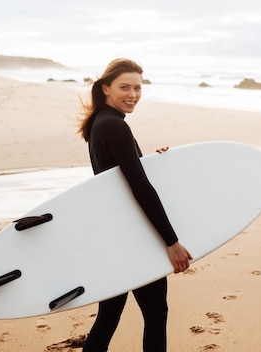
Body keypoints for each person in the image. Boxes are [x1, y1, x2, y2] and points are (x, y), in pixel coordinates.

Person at [77, 58, 192, 352]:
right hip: (134, 235)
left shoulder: (100, 123)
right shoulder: (114, 126)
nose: (133, 94)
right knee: (155, 314)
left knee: (110, 314)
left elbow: (124, 176)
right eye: (124, 87)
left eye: (138, 88)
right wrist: (171, 241)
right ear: (106, 89)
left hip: (116, 233)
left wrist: (154, 163)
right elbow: (139, 187)